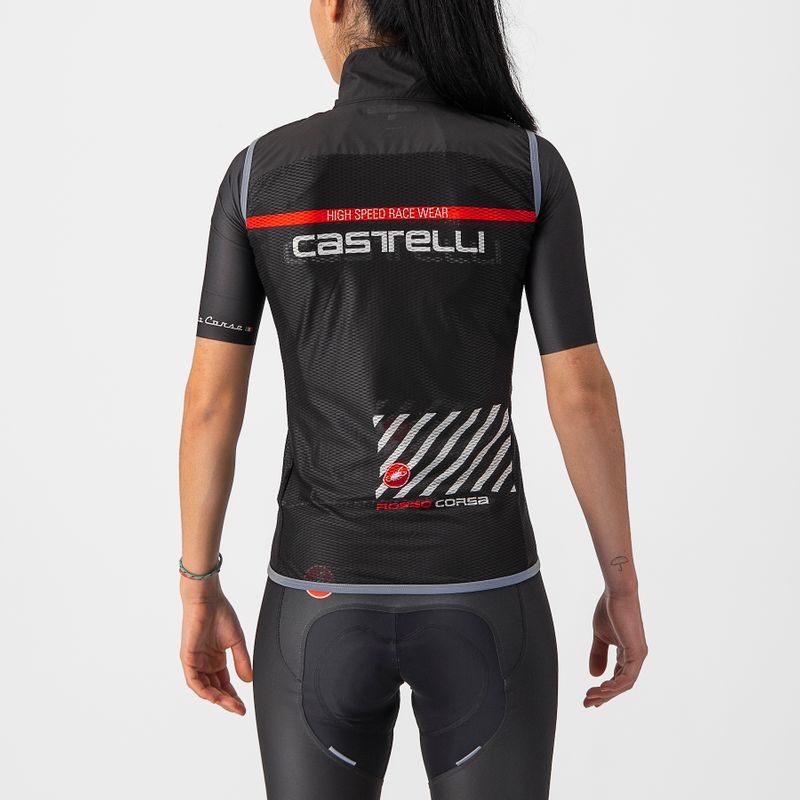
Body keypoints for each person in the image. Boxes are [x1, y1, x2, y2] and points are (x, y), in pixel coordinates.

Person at [178, 1, 648, 797]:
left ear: (337, 6)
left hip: (317, 591)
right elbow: (581, 396)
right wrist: (622, 584)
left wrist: (199, 583)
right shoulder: (526, 167)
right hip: (487, 588)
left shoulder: (261, 174)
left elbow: (209, 408)